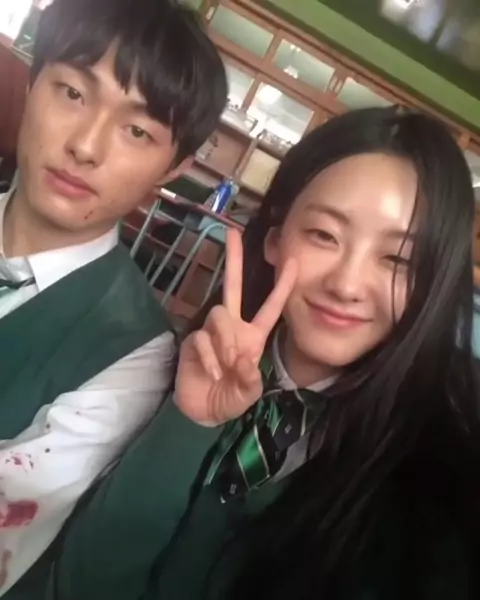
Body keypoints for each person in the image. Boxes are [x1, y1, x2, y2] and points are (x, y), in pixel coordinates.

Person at [10, 107, 480, 600]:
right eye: (324, 235)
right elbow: (82, 585)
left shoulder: (442, 489)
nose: (346, 285)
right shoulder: (167, 368)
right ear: (275, 239)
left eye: (398, 259)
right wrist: (186, 423)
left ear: (433, 280)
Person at [0, 0, 227, 593]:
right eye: (73, 93)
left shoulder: (135, 354)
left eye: (137, 131)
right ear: (33, 80)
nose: (86, 146)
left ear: (173, 167)